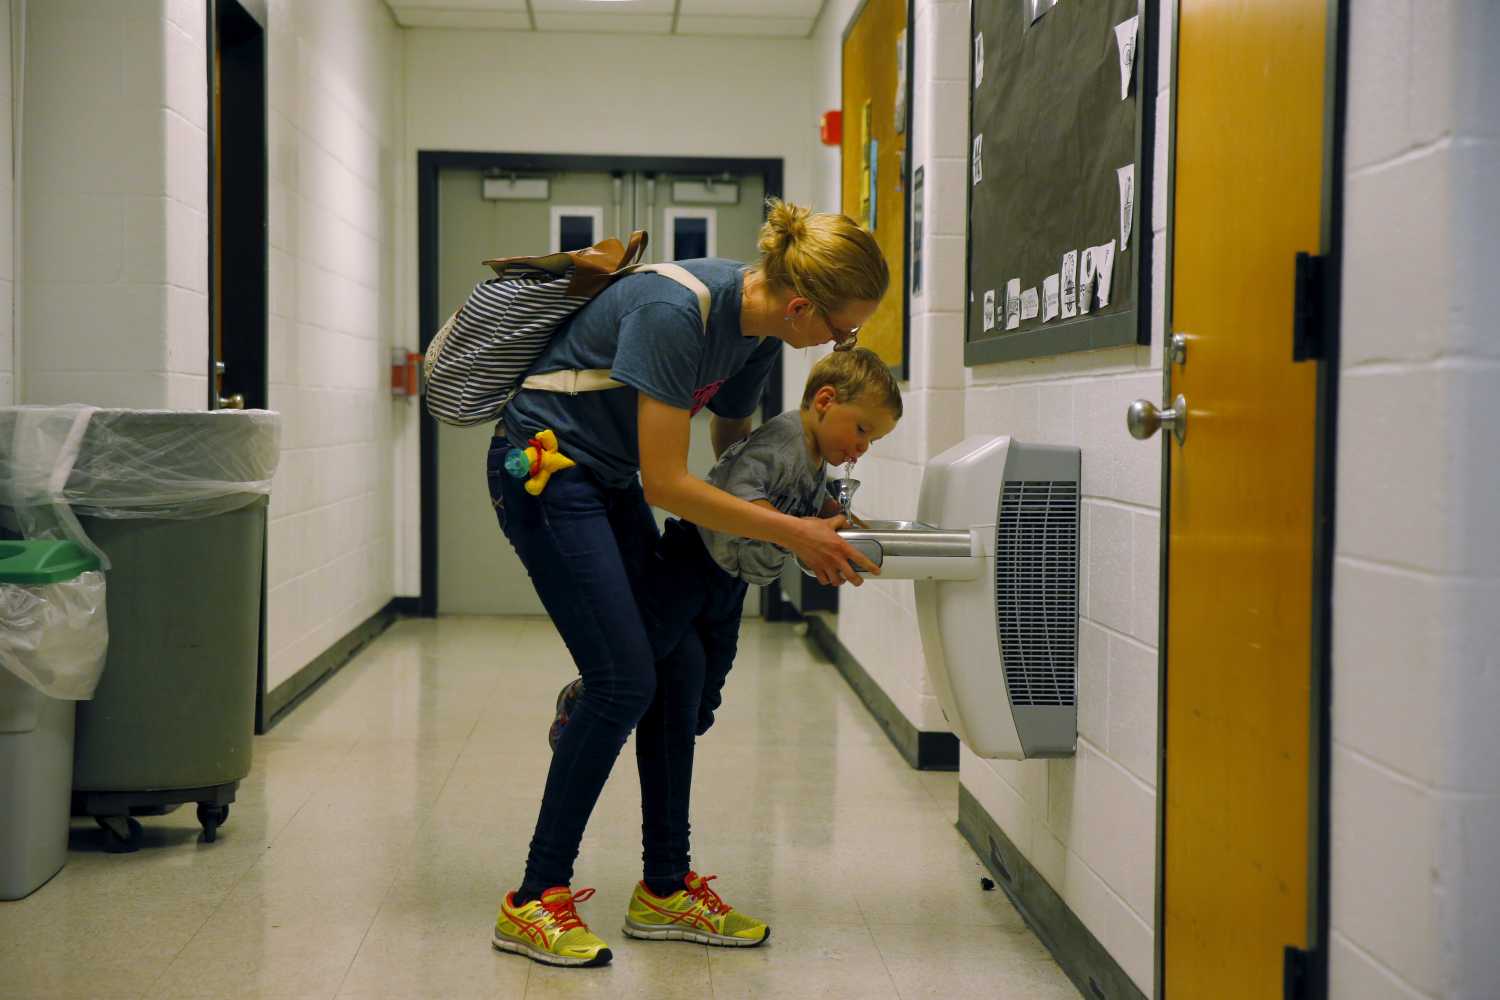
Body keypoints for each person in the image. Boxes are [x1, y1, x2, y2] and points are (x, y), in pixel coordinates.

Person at [487, 200, 890, 968]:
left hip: (604, 484)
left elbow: (732, 449)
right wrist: (791, 532)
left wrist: (796, 510)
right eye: (843, 329)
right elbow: (668, 483)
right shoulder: (679, 313)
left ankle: (665, 888)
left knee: (681, 669)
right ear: (803, 304)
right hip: (545, 475)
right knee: (621, 679)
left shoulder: (760, 337)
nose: (841, 345)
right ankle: (533, 900)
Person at [545, 348, 901, 950]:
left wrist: (838, 519)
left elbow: (809, 506)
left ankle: (663, 884)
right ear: (824, 402)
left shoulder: (814, 459)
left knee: (702, 701)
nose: (861, 447)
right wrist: (798, 535)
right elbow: (740, 498)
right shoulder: (783, 439)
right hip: (689, 565)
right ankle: (582, 699)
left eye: (872, 441)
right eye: (861, 430)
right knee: (643, 669)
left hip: (731, 585)